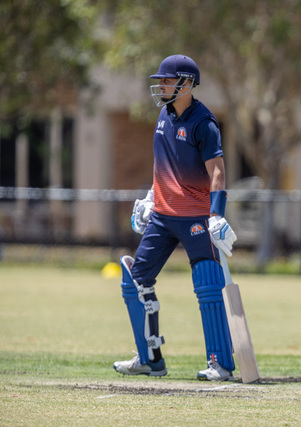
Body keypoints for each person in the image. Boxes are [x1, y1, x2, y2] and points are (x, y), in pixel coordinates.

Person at [113, 54, 238, 381]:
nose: (162, 86)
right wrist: (151, 197)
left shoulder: (204, 123)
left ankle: (220, 364)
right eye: (161, 81)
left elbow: (218, 172)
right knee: (136, 280)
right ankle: (150, 359)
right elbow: (164, 165)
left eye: (167, 80)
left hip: (196, 217)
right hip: (163, 216)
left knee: (208, 284)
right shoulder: (164, 115)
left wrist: (217, 215)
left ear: (187, 83)